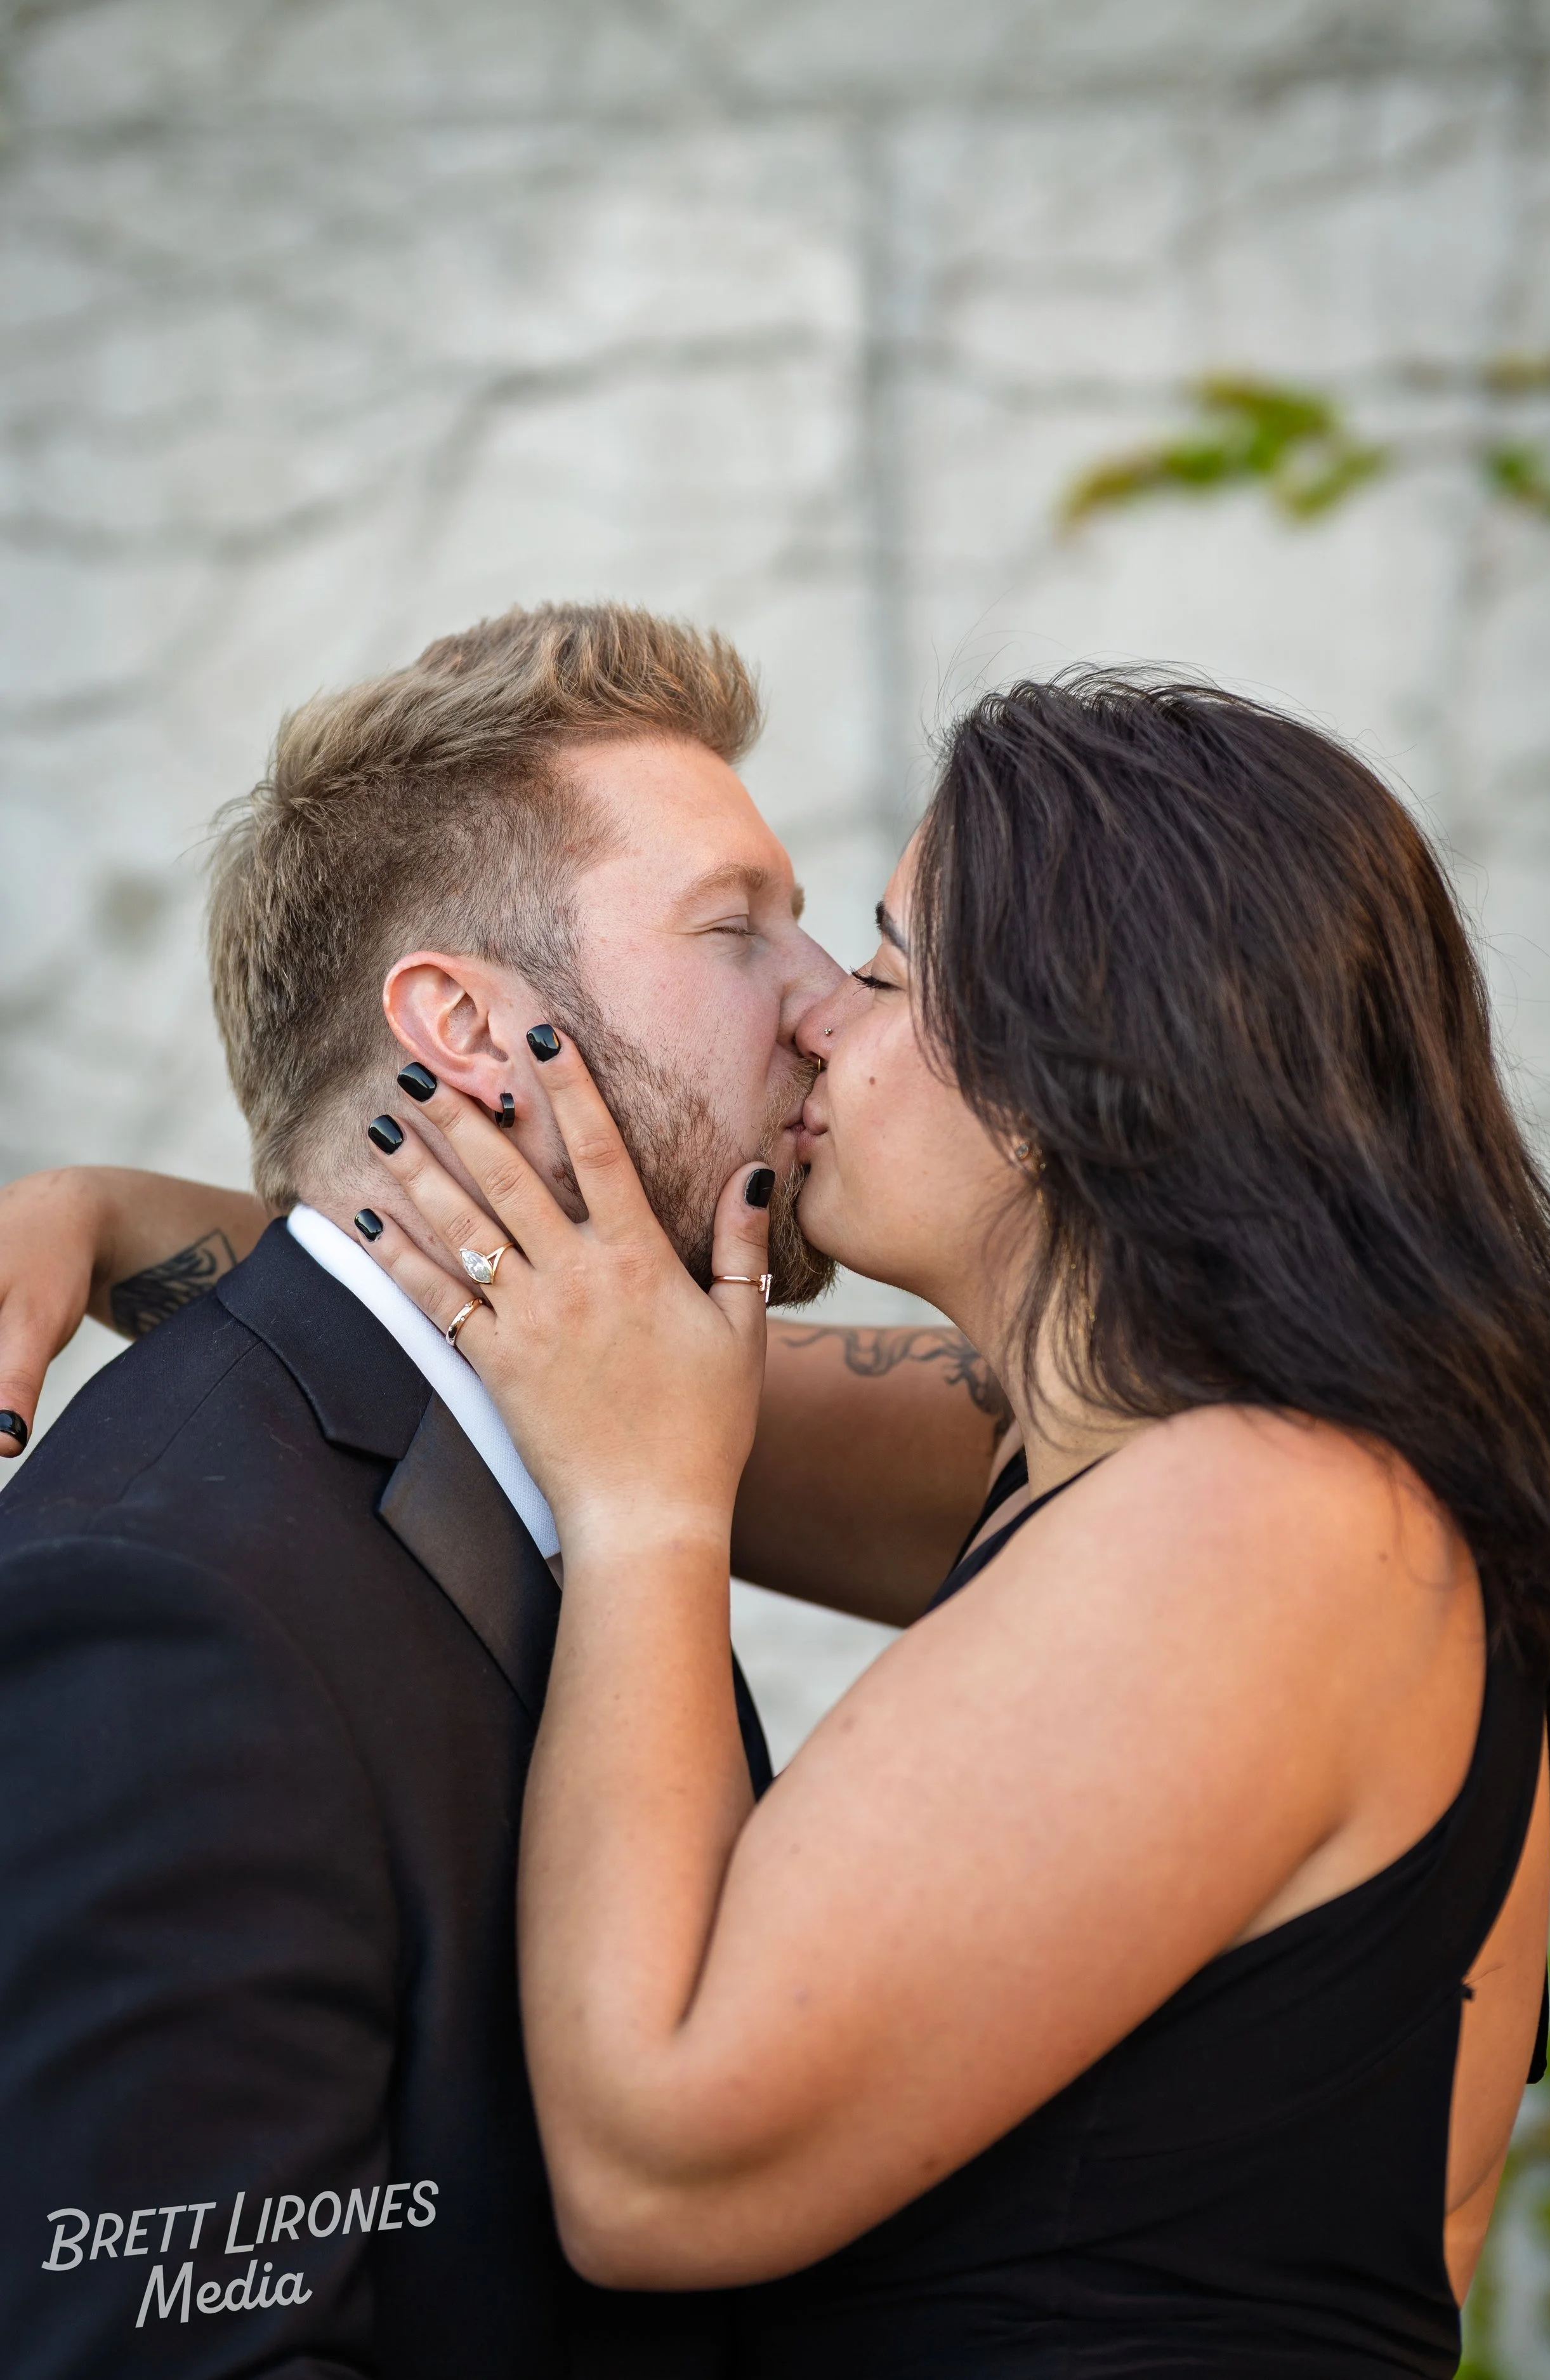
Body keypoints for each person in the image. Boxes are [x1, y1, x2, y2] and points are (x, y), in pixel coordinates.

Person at [346, 674, 1550, 2378]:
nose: (813, 1025)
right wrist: (103, 1219)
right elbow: (556, 1339)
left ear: (1088, 1060)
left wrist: (645, 1516)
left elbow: (655, 2168)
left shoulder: (1263, 1523)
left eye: (877, 966)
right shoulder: (1143, 1455)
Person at [0, 602, 1010, 2378]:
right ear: (464, 1027)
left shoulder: (569, 1445)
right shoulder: (169, 1603)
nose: (826, 1006)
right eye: (736, 929)